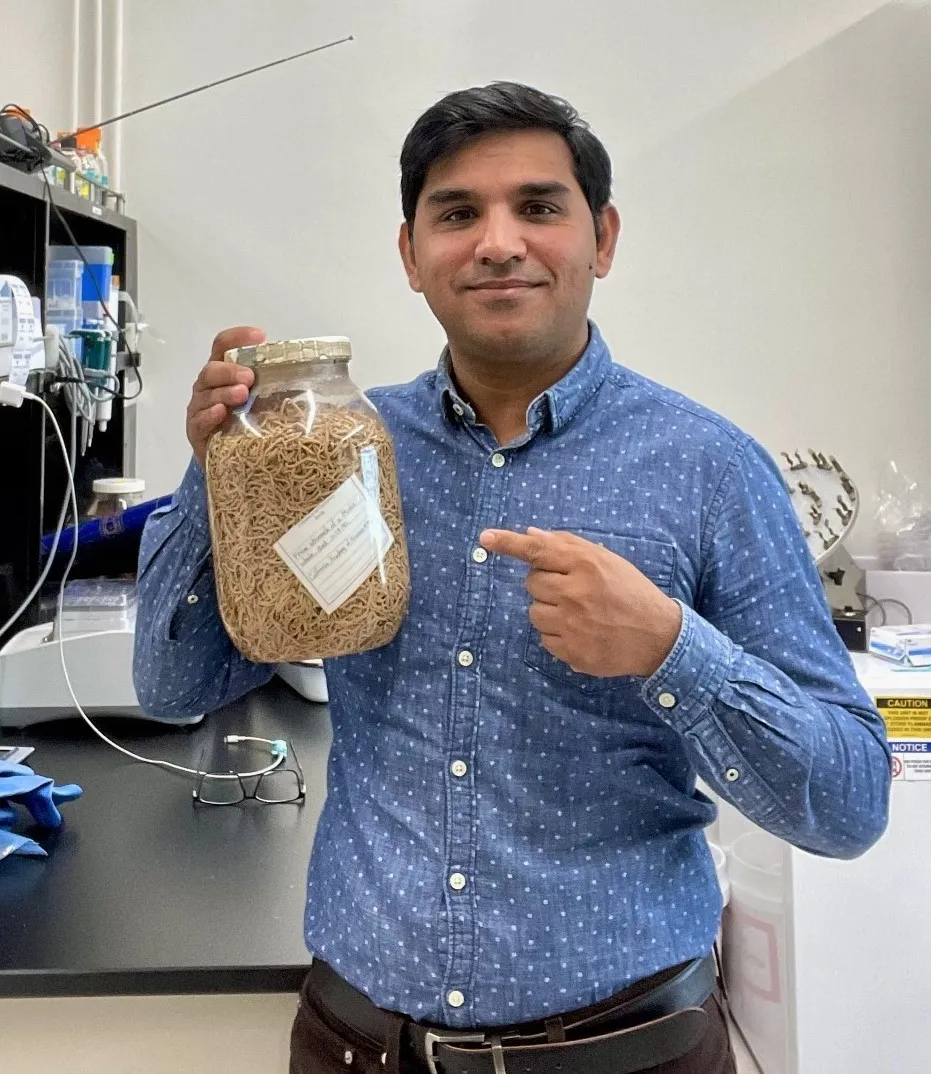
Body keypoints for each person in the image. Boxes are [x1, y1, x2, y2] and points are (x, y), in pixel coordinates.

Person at [133, 82, 891, 1074]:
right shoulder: (336, 450)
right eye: (456, 213)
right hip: (355, 1046)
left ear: (602, 238)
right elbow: (174, 687)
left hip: (628, 1051)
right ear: (410, 253)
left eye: (537, 206)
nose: (497, 242)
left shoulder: (709, 470)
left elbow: (847, 803)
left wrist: (671, 648)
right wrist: (213, 471)